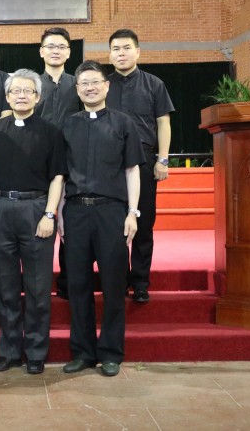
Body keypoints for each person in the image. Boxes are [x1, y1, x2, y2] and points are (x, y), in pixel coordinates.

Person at [60, 60, 144, 378]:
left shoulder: (124, 124)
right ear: (77, 89)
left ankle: (110, 352)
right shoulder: (67, 125)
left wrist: (133, 212)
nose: (91, 88)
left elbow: (132, 169)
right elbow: (61, 173)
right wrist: (60, 214)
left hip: (112, 212)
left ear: (106, 86)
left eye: (96, 82)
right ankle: (82, 351)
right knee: (78, 284)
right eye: (84, 83)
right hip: (76, 212)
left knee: (113, 283)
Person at [0, 69, 66, 375]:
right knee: (5, 286)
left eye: (28, 91)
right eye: (15, 91)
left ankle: (35, 351)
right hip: (1, 209)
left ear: (38, 96)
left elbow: (58, 176)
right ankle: (8, 351)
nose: (21, 95)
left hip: (36, 209)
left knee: (37, 286)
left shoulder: (50, 131)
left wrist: (50, 214)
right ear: (7, 97)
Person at [105, 29, 175, 303]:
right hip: (109, 163)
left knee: (143, 224)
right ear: (109, 54)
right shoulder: (103, 84)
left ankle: (141, 282)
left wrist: (163, 158)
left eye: (125, 48)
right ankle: (118, 280)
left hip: (145, 159)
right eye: (115, 49)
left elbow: (163, 123)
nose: (120, 54)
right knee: (113, 224)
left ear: (137, 52)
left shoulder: (154, 84)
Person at [34, 27, 81, 301]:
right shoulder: (31, 86)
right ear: (41, 51)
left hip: (72, 164)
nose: (55, 50)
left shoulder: (77, 84)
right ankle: (36, 282)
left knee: (66, 224)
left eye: (61, 46)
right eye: (50, 46)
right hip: (36, 165)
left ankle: (66, 281)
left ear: (68, 52)